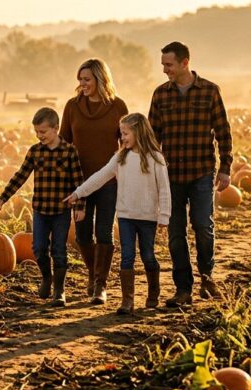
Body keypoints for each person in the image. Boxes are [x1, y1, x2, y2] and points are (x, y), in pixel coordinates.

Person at [148, 41, 233, 307]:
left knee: (203, 226)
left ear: (185, 63)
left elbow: (223, 132)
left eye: (169, 64)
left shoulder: (209, 91)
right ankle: (183, 288)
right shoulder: (160, 95)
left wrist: (226, 168)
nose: (165, 70)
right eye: (163, 64)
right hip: (170, 176)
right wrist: (149, 172)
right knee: (175, 233)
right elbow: (152, 138)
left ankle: (207, 277)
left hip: (201, 173)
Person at [64, 113, 171, 314]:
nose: (122, 138)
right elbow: (100, 176)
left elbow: (164, 189)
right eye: (121, 134)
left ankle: (153, 292)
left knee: (148, 255)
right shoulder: (121, 157)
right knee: (127, 256)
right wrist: (79, 193)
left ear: (139, 132)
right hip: (125, 217)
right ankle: (127, 301)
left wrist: (164, 216)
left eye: (125, 133)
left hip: (148, 217)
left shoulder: (156, 158)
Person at [0, 107, 85, 307]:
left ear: (56, 128)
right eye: (36, 132)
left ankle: (59, 292)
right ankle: (47, 277)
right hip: (41, 210)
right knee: (38, 248)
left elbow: (78, 182)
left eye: (43, 131)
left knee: (59, 250)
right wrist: (3, 197)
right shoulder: (35, 151)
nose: (39, 135)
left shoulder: (69, 151)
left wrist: (79, 206)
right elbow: (21, 175)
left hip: (61, 210)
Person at [60, 59, 128, 304]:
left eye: (87, 79)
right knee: (82, 234)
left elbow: (126, 143)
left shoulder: (118, 106)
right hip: (79, 181)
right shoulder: (72, 106)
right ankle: (93, 273)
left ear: (100, 79)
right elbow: (64, 141)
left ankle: (100, 285)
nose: (82, 84)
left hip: (109, 179)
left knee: (105, 232)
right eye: (80, 80)